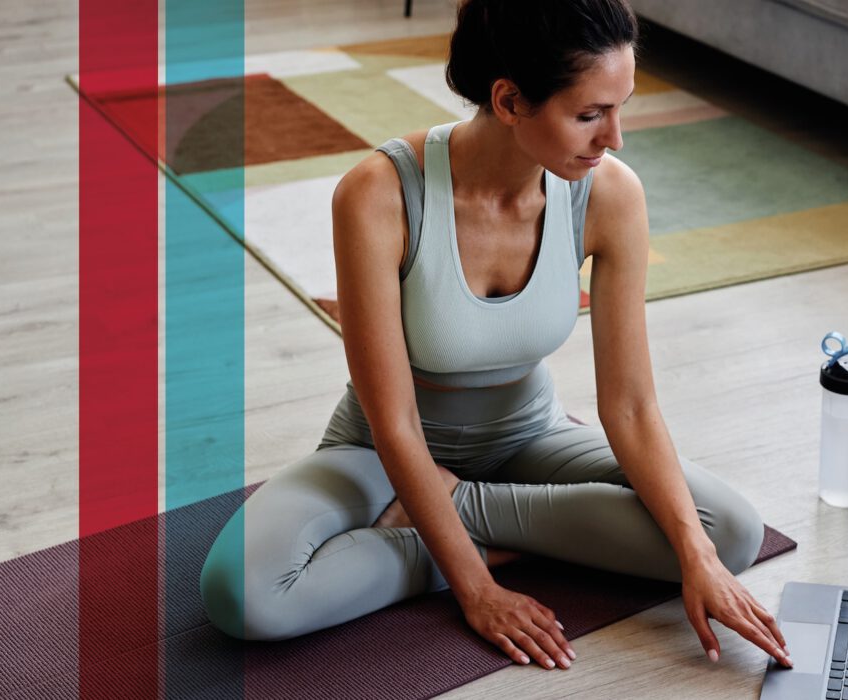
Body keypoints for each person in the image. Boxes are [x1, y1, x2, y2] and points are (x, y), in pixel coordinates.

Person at [200, 0, 791, 673]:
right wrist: (476, 590)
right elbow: (394, 425)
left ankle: (461, 520)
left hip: (530, 440)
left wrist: (699, 560)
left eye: (621, 107)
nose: (615, 139)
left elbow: (629, 407)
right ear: (509, 100)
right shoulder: (379, 195)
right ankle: (492, 542)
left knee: (729, 534)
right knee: (244, 596)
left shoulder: (609, 195)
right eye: (590, 114)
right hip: (378, 453)